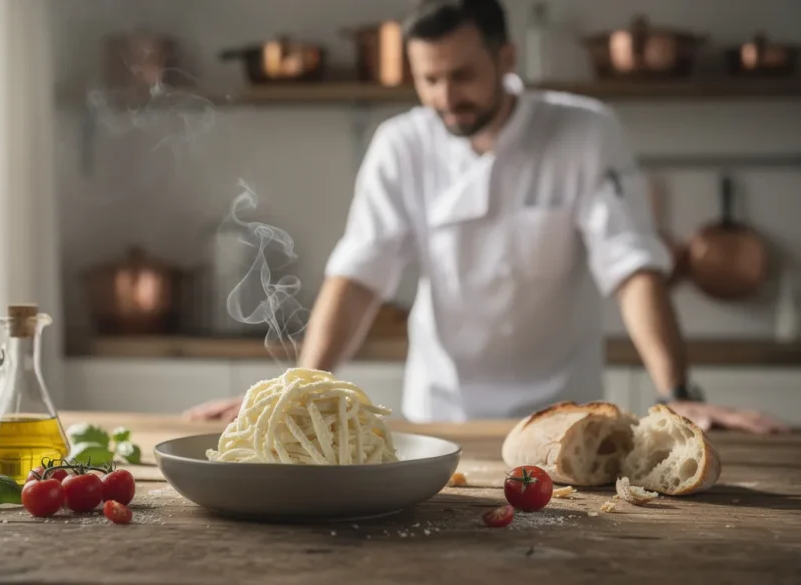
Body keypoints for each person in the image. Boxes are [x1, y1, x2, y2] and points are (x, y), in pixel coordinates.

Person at [184, 0, 790, 434]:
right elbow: (361, 274)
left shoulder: (584, 130)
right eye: (429, 80)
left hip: (565, 419)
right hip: (439, 413)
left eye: (463, 75)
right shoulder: (402, 144)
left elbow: (632, 267)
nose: (447, 99)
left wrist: (678, 392)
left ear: (506, 57)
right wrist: (300, 388)